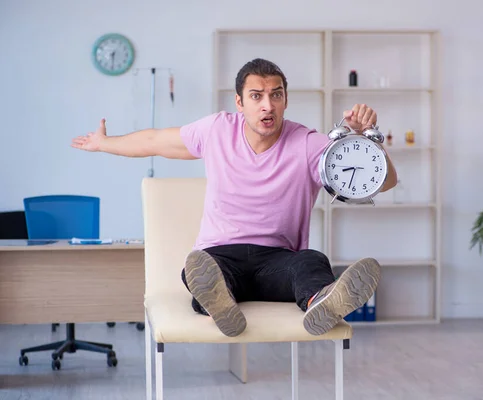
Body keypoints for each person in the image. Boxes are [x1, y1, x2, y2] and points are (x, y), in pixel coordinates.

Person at [71, 58, 397, 337]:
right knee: (200, 269)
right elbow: (154, 140)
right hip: (222, 255)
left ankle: (322, 303)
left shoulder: (309, 144)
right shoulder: (216, 131)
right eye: (256, 96)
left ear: (285, 100)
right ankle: (220, 306)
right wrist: (104, 143)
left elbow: (385, 182)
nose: (267, 105)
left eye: (275, 95)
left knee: (311, 262)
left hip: (279, 261)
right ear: (239, 102)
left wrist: (362, 137)